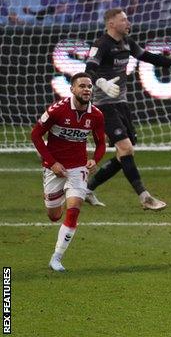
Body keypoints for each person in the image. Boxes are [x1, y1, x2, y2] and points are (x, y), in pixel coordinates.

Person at [83, 7, 171, 210]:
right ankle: (145, 197)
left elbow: (148, 57)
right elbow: (89, 70)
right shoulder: (101, 45)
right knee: (126, 148)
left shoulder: (127, 42)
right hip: (103, 105)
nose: (128, 23)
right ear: (111, 23)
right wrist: (101, 83)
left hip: (121, 104)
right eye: (123, 20)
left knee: (125, 155)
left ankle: (87, 189)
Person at [30, 72, 106, 272]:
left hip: (78, 168)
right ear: (72, 89)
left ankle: (56, 258)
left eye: (89, 86)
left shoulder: (96, 115)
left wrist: (94, 160)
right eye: (82, 86)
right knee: (54, 216)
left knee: (74, 210)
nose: (87, 89)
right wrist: (52, 162)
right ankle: (63, 195)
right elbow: (36, 135)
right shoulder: (57, 110)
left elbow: (101, 145)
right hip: (54, 169)